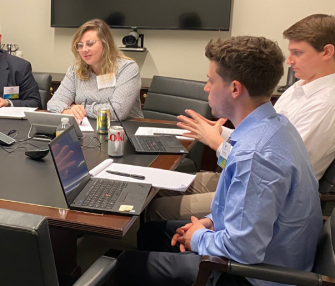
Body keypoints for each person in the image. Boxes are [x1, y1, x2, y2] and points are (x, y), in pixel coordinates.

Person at [116, 36, 322, 286]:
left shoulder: (255, 155)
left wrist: (199, 238)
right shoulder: (276, 125)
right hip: (266, 250)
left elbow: (244, 249)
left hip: (256, 275)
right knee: (152, 232)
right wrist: (210, 222)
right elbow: (246, 210)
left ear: (235, 89)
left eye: (211, 80)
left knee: (124, 264)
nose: (206, 87)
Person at [146, 14, 335, 222]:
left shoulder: (326, 104)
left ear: (327, 52)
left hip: (263, 195)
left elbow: (268, 169)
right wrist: (221, 132)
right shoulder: (300, 86)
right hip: (243, 173)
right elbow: (258, 142)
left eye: (297, 53)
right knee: (156, 185)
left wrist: (216, 142)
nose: (289, 61)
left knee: (154, 207)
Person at [47, 19, 142, 121]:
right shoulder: (75, 70)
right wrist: (68, 111)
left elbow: (117, 112)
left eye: (90, 43)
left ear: (105, 44)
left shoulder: (127, 68)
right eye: (80, 45)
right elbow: (53, 103)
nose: (84, 49)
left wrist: (80, 109)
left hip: (124, 130)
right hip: (87, 130)